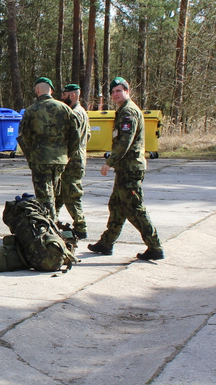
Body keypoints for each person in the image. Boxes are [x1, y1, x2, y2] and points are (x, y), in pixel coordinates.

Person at [87, 77, 164, 260]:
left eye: (119, 91)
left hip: (130, 168)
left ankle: (155, 246)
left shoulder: (128, 112)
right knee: (116, 206)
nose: (115, 94)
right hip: (125, 168)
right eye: (113, 92)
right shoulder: (123, 110)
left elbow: (125, 141)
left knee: (135, 208)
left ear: (127, 92)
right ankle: (106, 243)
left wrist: (109, 162)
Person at [16, 77, 80, 220]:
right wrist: (68, 153)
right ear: (51, 90)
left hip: (40, 160)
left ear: (37, 90)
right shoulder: (65, 109)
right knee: (55, 196)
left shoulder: (31, 110)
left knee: (45, 199)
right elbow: (76, 135)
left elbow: (23, 137)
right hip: (60, 160)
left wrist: (31, 156)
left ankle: (50, 230)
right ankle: (53, 224)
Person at [57, 83, 90, 239]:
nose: (62, 98)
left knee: (71, 195)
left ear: (73, 95)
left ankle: (80, 226)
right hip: (77, 158)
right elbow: (88, 136)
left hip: (73, 160)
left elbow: (71, 138)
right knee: (60, 194)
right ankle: (51, 220)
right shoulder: (82, 112)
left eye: (65, 95)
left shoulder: (74, 114)